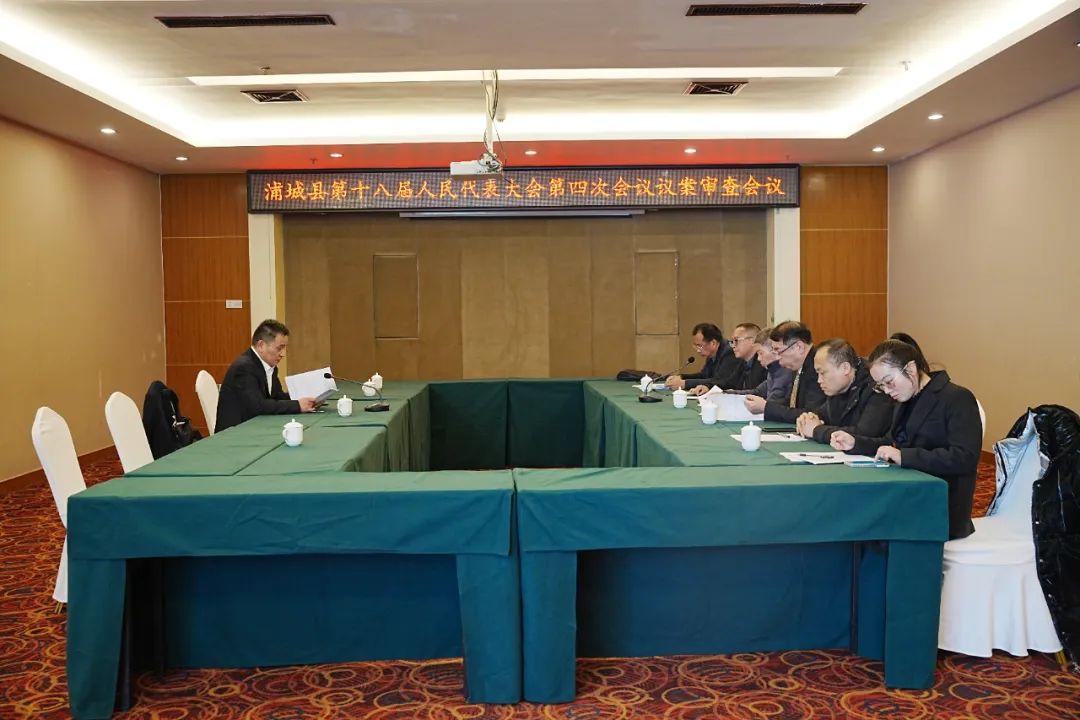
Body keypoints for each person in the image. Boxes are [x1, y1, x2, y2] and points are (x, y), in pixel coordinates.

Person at [830, 339, 982, 539]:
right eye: (881, 386)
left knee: (864, 524)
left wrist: (905, 456)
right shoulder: (906, 398)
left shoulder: (957, 398)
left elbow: (964, 457)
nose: (886, 390)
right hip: (907, 492)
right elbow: (891, 443)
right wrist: (855, 443)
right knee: (853, 513)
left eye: (889, 382)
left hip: (940, 505)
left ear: (910, 369)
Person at [215, 319, 320, 432]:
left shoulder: (269, 366)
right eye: (279, 348)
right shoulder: (244, 368)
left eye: (284, 348)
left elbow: (276, 397)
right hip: (236, 432)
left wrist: (305, 398)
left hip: (256, 427)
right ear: (261, 345)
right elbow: (258, 406)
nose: (283, 354)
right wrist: (297, 405)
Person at [794, 338, 893, 444]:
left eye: (822, 373)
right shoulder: (839, 387)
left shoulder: (877, 386)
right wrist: (808, 418)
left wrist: (816, 431)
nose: (819, 380)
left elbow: (864, 434)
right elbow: (823, 414)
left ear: (845, 368)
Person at [742, 321, 826, 423]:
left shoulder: (817, 368)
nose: (777, 357)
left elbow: (811, 415)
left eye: (779, 351)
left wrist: (766, 407)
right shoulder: (797, 366)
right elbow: (789, 405)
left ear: (799, 347)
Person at [665, 322, 743, 392]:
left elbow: (720, 381)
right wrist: (681, 377)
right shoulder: (712, 353)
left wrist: (684, 383)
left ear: (713, 343)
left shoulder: (730, 352)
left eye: (700, 346)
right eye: (695, 346)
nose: (698, 350)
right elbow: (704, 376)